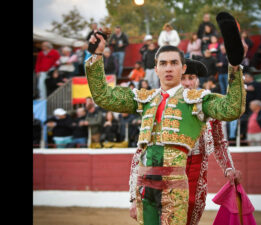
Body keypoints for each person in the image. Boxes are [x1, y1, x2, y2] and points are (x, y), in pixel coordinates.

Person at [85, 31, 246, 224]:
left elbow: (231, 109)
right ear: (155, 69)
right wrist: (97, 56)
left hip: (179, 183)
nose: (168, 68)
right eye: (163, 63)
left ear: (182, 67)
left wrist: (234, 66)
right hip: (147, 186)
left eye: (173, 63)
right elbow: (104, 97)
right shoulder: (145, 99)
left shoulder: (199, 101)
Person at [129, 58, 241, 225]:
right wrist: (134, 197)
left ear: (197, 80)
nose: (188, 83)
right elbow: (141, 153)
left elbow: (219, 143)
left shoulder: (207, 105)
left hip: (197, 175)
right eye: (183, 78)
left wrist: (229, 168)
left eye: (192, 78)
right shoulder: (159, 104)